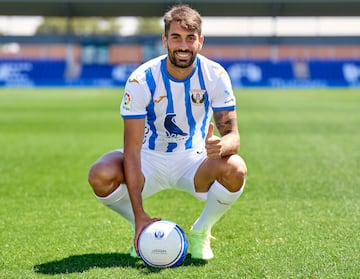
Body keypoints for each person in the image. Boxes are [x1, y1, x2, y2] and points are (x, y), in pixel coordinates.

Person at [88, 3, 247, 260]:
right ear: (165, 40)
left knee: (236, 168)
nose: (183, 45)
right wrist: (139, 214)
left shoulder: (215, 75)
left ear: (200, 41)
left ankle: (201, 231)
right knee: (100, 174)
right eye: (176, 37)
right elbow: (132, 149)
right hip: (148, 159)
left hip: (193, 159)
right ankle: (140, 228)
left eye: (190, 38)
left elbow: (233, 137)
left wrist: (222, 146)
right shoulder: (142, 79)